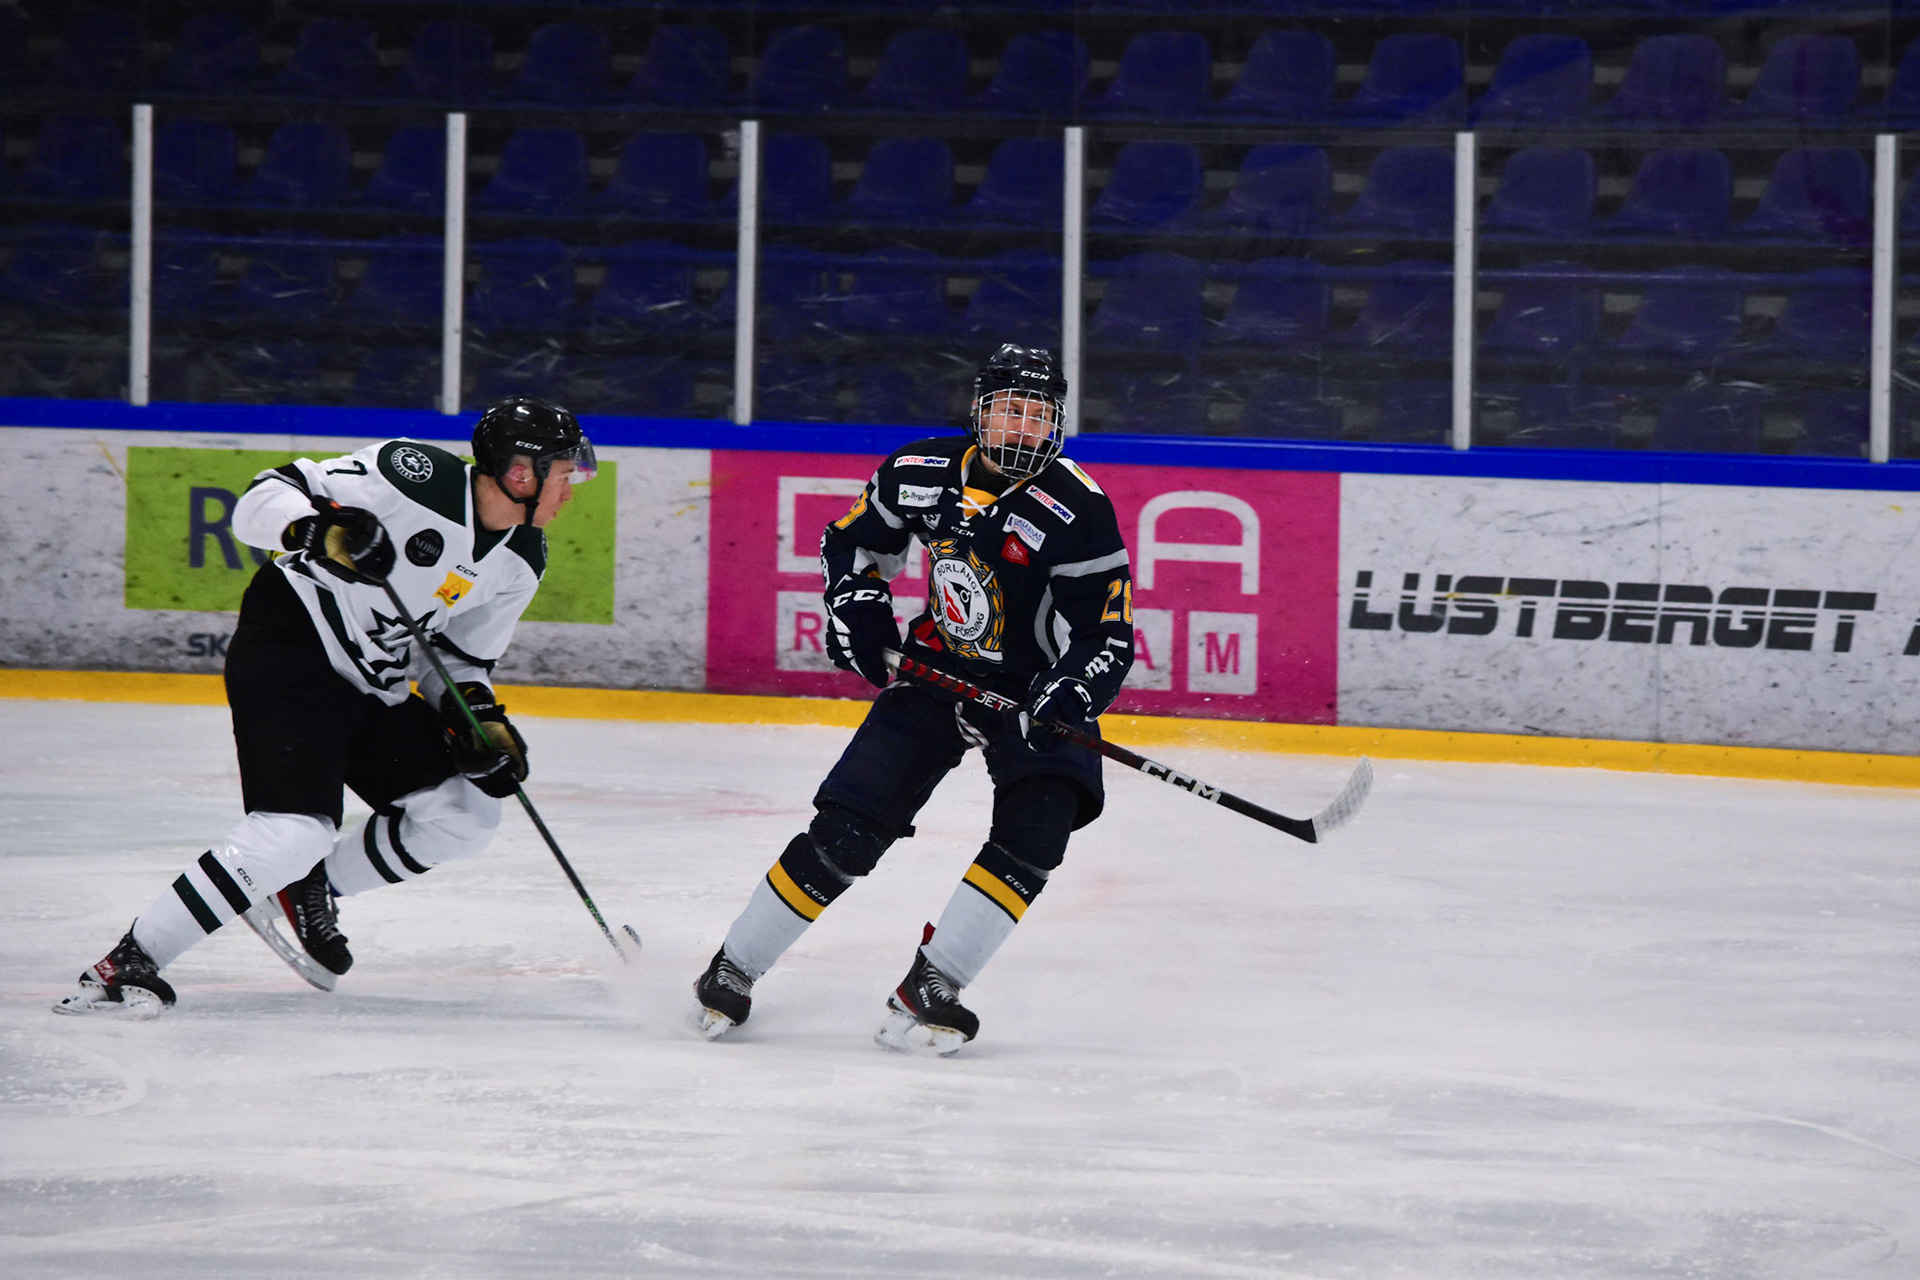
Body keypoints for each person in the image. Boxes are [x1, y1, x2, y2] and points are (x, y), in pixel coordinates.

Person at [54, 396, 595, 1016]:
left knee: (465, 815)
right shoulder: (411, 474)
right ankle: (124, 964)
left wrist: (480, 720)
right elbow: (261, 499)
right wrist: (314, 529)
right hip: (293, 647)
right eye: (563, 474)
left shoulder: (522, 559)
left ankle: (309, 886)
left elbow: (456, 659)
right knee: (294, 831)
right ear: (521, 473)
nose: (570, 490)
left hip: (373, 687)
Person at [693, 344, 1135, 1055]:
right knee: (848, 828)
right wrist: (861, 611)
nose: (1023, 429)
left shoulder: (1079, 510)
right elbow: (853, 547)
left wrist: (1070, 691)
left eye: (1038, 416)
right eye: (1010, 412)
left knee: (1038, 830)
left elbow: (1105, 635)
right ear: (980, 414)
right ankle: (733, 967)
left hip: (1032, 691)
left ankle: (933, 984)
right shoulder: (919, 470)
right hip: (936, 670)